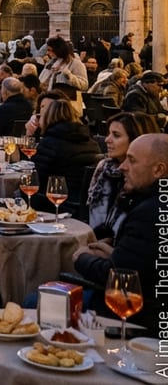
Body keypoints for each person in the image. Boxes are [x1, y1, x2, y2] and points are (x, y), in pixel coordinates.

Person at [72, 134, 168, 334]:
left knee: (34, 299)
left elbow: (120, 279)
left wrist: (81, 258)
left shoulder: (149, 212)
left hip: (140, 319)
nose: (122, 167)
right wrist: (115, 252)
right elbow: (143, 263)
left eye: (131, 160)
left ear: (158, 170)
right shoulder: (148, 203)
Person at [87, 112, 159, 238]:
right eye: (109, 133)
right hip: (94, 240)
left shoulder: (146, 177)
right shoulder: (104, 168)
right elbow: (86, 213)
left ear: (136, 139)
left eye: (116, 135)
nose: (107, 140)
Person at [29, 97, 102, 211]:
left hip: (55, 201)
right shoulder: (91, 142)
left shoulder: (50, 142)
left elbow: (36, 177)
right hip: (85, 202)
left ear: (48, 117)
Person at [38, 36, 89, 115]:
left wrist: (68, 75)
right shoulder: (50, 63)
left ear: (58, 50)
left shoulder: (76, 64)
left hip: (68, 105)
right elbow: (41, 81)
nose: (48, 53)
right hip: (51, 103)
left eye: (50, 50)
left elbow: (84, 85)